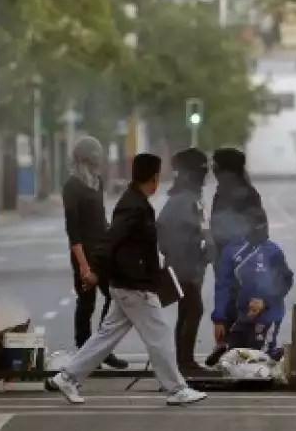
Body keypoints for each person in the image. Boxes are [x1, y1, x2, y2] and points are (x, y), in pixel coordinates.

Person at [46, 153, 208, 406]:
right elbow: (111, 239)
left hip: (129, 283)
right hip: (134, 285)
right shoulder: (134, 206)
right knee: (160, 336)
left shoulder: (135, 202)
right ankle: (176, 389)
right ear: (154, 178)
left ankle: (67, 377)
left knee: (106, 336)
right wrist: (94, 270)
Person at [62, 137, 128, 369]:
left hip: (103, 250)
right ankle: (84, 352)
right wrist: (84, 266)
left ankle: (102, 349)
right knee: (86, 301)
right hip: (84, 252)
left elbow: (101, 219)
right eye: (96, 155)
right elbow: (74, 231)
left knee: (113, 296)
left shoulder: (97, 182)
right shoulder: (72, 186)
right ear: (86, 158)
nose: (99, 160)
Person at [206, 147, 267, 364]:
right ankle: (229, 348)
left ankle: (239, 352)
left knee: (242, 304)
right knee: (231, 302)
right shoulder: (226, 191)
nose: (212, 168)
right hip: (226, 258)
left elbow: (259, 229)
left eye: (216, 164)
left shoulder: (244, 194)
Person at [211, 199, 294, 358]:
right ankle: (279, 355)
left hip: (269, 315)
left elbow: (286, 280)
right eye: (257, 225)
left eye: (264, 224)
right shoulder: (232, 252)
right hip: (242, 316)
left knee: (258, 358)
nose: (262, 229)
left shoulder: (273, 250)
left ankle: (277, 356)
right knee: (234, 357)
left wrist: (265, 301)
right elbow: (223, 286)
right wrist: (219, 319)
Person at [156, 148, 214, 373]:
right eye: (202, 171)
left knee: (188, 310)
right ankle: (185, 362)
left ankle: (183, 361)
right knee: (193, 310)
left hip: (188, 265)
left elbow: (202, 229)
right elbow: (167, 234)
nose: (206, 176)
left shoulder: (191, 198)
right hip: (184, 267)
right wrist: (185, 267)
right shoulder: (184, 200)